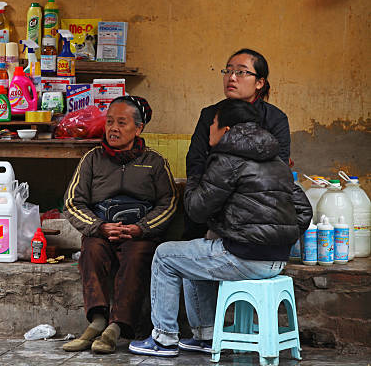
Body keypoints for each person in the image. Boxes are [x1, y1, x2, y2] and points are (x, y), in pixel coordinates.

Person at [129, 99, 312, 358]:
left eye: (212, 124)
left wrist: (195, 177)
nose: (209, 130)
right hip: (277, 259)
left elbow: (197, 209)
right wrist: (279, 238)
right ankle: (205, 336)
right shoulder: (278, 163)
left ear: (225, 130)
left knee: (165, 255)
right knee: (193, 255)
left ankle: (163, 338)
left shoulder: (227, 160)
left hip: (244, 256)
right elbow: (305, 211)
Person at [62, 96, 178, 354]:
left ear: (138, 129)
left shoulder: (155, 162)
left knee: (138, 255)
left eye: (122, 123)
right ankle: (97, 321)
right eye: (110, 122)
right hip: (102, 230)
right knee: (91, 249)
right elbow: (72, 203)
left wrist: (142, 228)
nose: (113, 128)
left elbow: (168, 203)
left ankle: (116, 328)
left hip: (138, 233)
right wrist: (99, 226)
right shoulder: (92, 159)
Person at [183, 48, 291, 241]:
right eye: (228, 71)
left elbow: (279, 169)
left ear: (260, 82)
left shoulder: (275, 119)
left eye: (241, 72)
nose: (231, 78)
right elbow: (196, 161)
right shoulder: (210, 114)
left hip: (255, 211)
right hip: (209, 204)